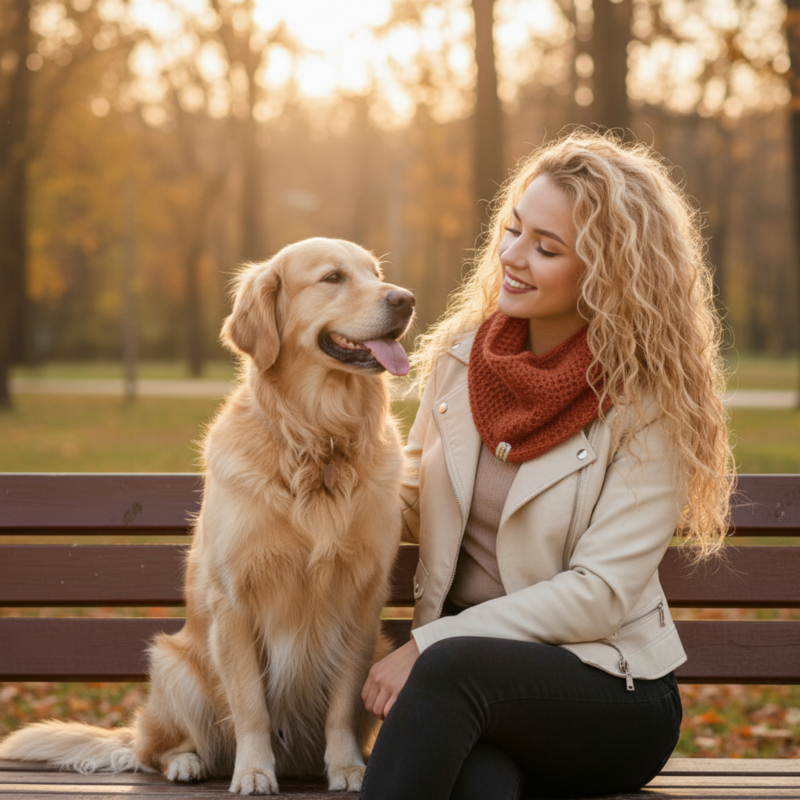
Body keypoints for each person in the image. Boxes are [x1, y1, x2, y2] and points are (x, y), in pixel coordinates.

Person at [359, 131, 734, 800]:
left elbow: (600, 594)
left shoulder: (647, 402)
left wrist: (431, 643)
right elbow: (411, 495)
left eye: (546, 247)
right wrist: (335, 473)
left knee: (449, 673)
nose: (511, 255)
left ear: (609, 273)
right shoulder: (460, 359)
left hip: (606, 688)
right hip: (474, 692)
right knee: (481, 784)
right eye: (513, 230)